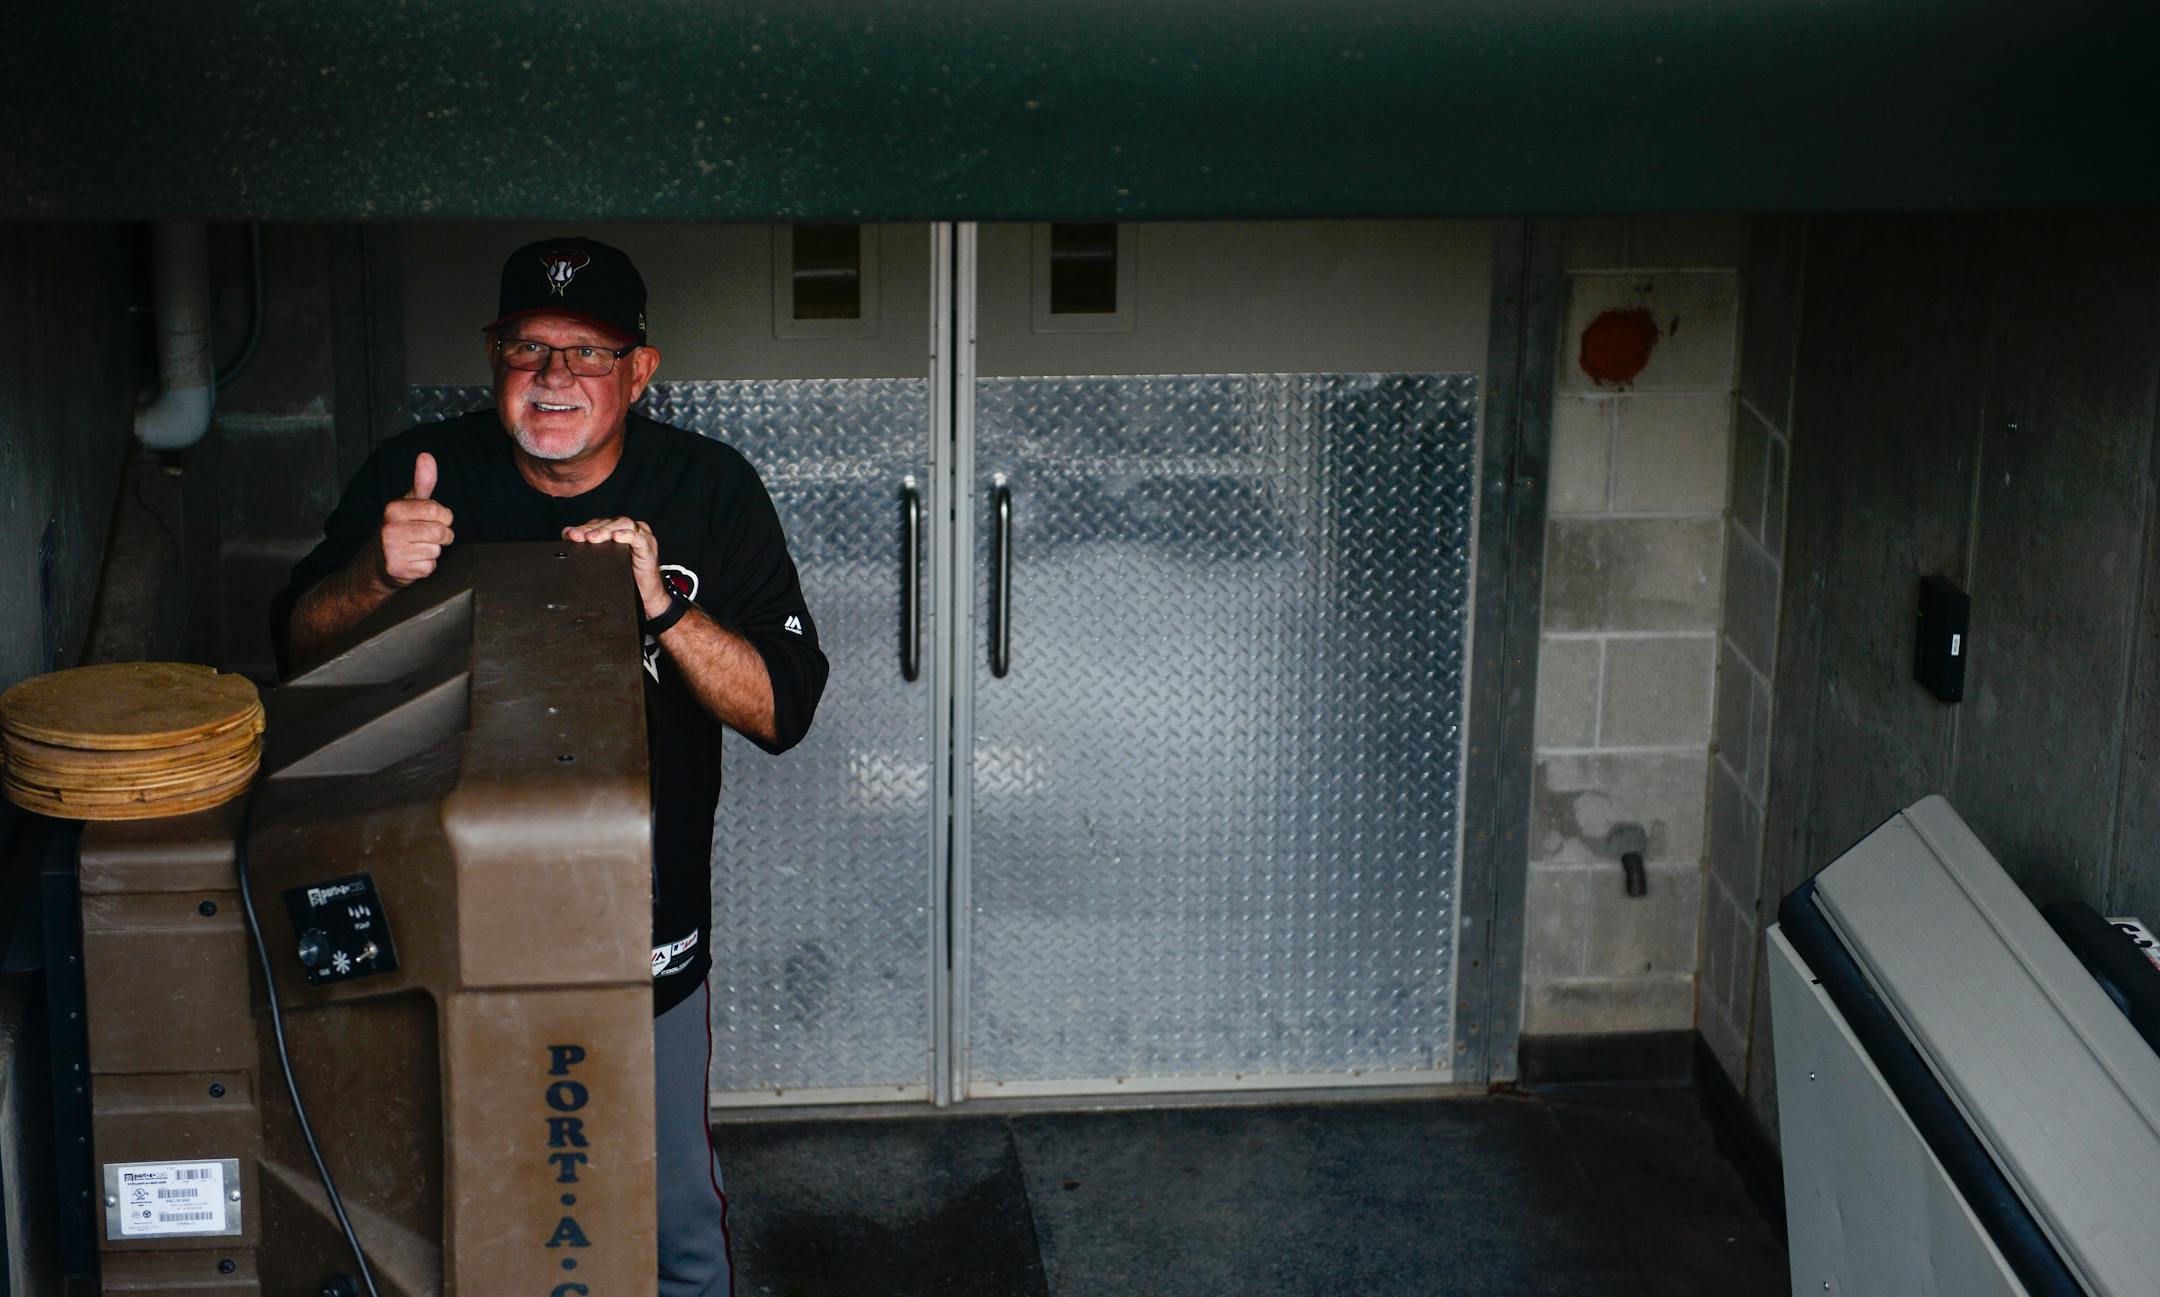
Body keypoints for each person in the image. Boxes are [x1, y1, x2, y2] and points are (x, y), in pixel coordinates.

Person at [271, 235, 828, 1297]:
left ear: (640, 370)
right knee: (460, 1213)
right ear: (493, 355)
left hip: (640, 929)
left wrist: (659, 601)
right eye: (530, 348)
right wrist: (375, 576)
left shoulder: (707, 486)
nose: (555, 378)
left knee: (670, 1234)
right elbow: (298, 653)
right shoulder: (418, 472)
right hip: (438, 922)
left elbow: (781, 707)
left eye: (587, 351)